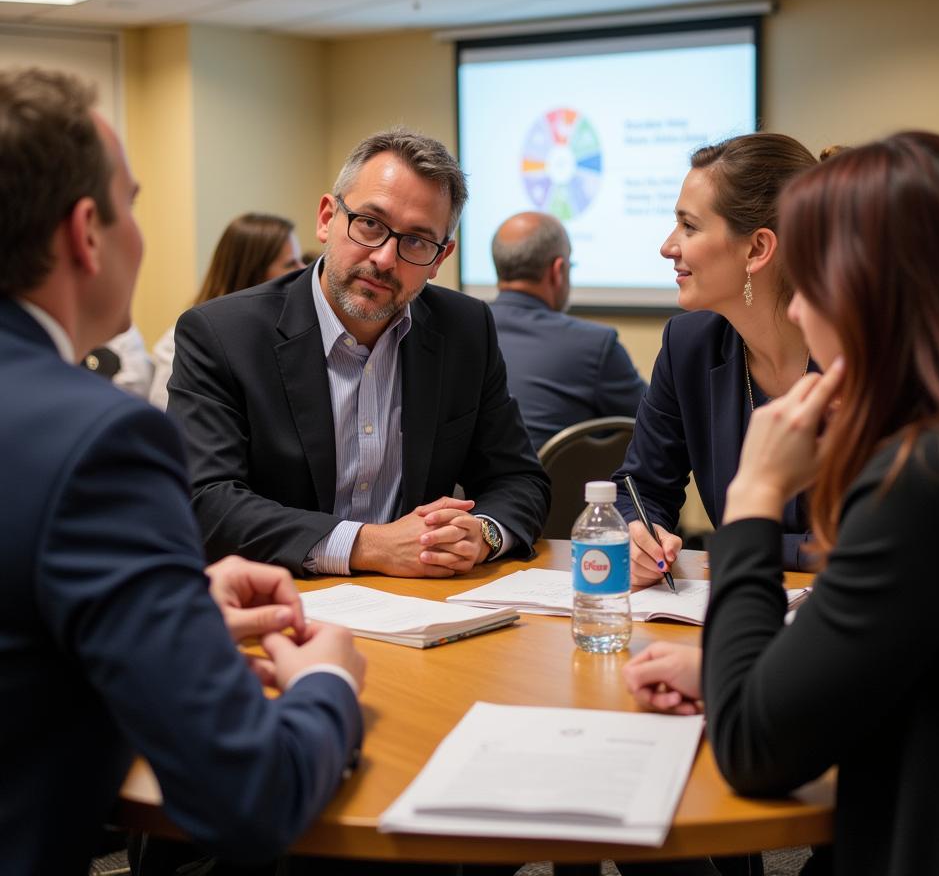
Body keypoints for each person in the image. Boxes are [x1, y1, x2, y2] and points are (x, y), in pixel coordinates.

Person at [624, 132, 939, 876]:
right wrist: (756, 659)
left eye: (815, 280)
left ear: (881, 289)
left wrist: (752, 501)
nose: (801, 309)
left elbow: (753, 748)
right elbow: (905, 638)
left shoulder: (933, 475)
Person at [0, 68, 365, 875]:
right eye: (133, 202)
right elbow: (249, 797)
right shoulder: (96, 440)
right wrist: (328, 687)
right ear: (84, 231)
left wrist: (161, 606)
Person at [167, 129, 549, 578]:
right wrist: (368, 545)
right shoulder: (221, 334)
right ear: (328, 218)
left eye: (417, 242)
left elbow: (520, 480)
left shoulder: (466, 330)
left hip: (422, 603)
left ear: (440, 258)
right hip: (286, 600)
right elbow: (204, 500)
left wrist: (480, 534)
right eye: (369, 223)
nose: (386, 258)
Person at [615, 134, 824, 581]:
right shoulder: (688, 344)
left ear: (757, 249)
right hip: (740, 602)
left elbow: (890, 541)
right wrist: (640, 529)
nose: (668, 246)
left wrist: (748, 543)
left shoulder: (858, 350)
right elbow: (639, 487)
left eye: (689, 227)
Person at [489, 211, 647, 451]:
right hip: (557, 489)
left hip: (466, 489)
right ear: (558, 270)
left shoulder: (462, 332)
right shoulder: (596, 345)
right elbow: (657, 422)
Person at [149, 212, 302, 410]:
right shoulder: (183, 345)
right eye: (291, 264)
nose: (304, 270)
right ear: (252, 272)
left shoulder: (290, 335)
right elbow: (170, 431)